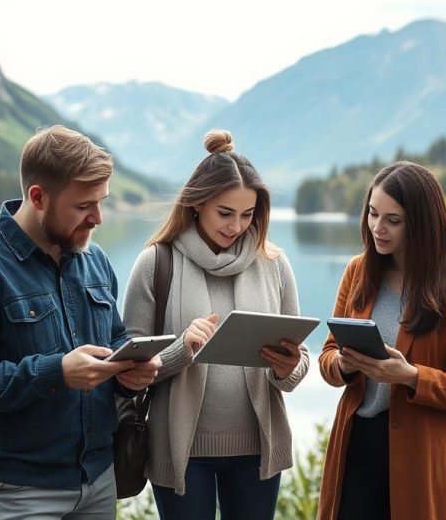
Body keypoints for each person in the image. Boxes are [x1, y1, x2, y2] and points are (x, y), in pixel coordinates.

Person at [0, 126, 161, 520]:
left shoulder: (95, 260)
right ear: (38, 197)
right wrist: (55, 372)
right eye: (83, 206)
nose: (98, 218)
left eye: (101, 202)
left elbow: (115, 339)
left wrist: (131, 372)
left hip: (99, 480)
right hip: (18, 492)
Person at [121, 129, 309, 520]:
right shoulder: (156, 263)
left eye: (248, 214)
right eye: (225, 213)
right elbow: (128, 369)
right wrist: (181, 349)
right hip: (181, 453)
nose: (237, 225)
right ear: (196, 204)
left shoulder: (274, 264)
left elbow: (298, 363)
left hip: (257, 451)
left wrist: (288, 367)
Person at [316, 161, 446, 520]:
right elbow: (328, 356)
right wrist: (343, 365)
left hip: (424, 457)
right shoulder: (358, 271)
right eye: (372, 214)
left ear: (422, 223)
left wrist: (411, 376)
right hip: (357, 447)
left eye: (393, 220)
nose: (378, 228)